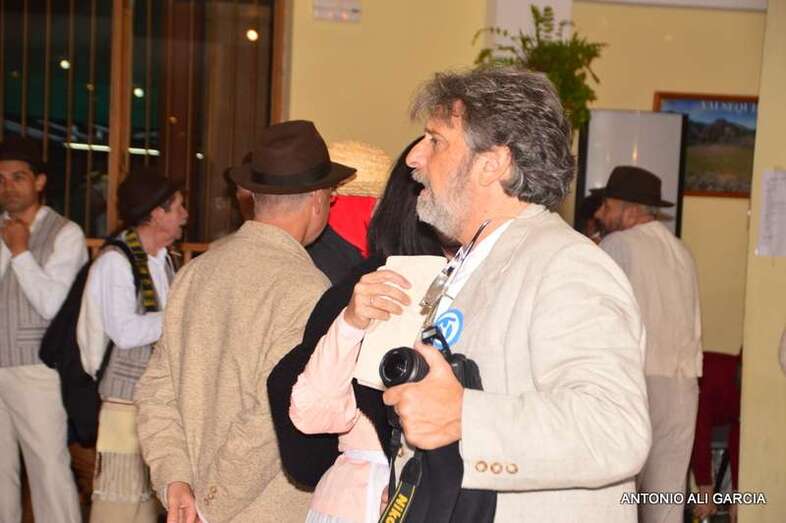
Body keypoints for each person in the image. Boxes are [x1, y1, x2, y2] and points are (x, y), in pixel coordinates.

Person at [377, 67, 651, 522]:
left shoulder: (567, 265)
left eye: (436, 140)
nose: (414, 157)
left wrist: (465, 416)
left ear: (493, 164)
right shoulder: (476, 258)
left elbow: (614, 428)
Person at [135, 120, 355, 522]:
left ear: (254, 195)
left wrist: (176, 480)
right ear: (318, 199)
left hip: (191, 504)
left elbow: (155, 392)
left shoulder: (195, 272)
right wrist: (209, 503)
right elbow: (270, 420)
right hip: (259, 509)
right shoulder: (307, 289)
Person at [267, 138, 443, 523]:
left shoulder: (355, 284)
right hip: (366, 494)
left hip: (360, 490)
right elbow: (307, 406)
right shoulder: (373, 286)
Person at [593, 165, 702, 523]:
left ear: (630, 210)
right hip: (683, 384)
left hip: (636, 382)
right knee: (666, 500)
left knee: (617, 497)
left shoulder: (617, 245)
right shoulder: (681, 250)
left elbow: (595, 315)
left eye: (607, 206)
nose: (600, 214)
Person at [78, 166, 187, 522]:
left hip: (153, 401)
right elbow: (124, 332)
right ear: (156, 214)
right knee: (116, 504)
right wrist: (181, 317)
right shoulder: (116, 261)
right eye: (178, 207)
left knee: (143, 507)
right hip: (123, 403)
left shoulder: (164, 260)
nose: (185, 215)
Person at [0, 136, 86, 523]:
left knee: (48, 470)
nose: (8, 186)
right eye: (1, 179)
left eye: (18, 177)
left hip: (35, 367)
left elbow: (52, 305)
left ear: (39, 181)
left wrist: (20, 251)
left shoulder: (65, 233)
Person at [690, 351, 741, 523]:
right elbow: (699, 433)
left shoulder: (748, 385)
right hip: (681, 409)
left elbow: (739, 440)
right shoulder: (712, 376)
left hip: (715, 419)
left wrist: (738, 494)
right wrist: (706, 488)